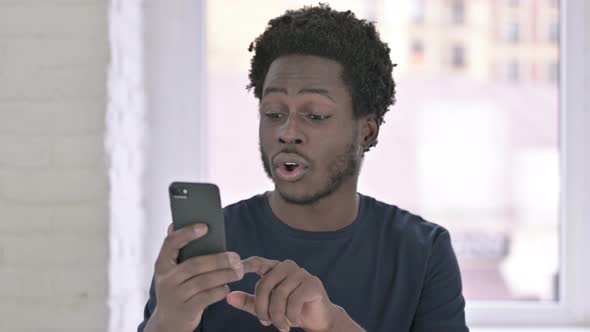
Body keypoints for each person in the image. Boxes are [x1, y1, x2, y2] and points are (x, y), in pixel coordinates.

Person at [138, 4, 469, 332]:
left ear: (366, 131)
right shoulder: (205, 255)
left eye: (315, 115)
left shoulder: (422, 252)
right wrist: (167, 323)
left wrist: (331, 325)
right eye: (273, 114)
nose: (287, 133)